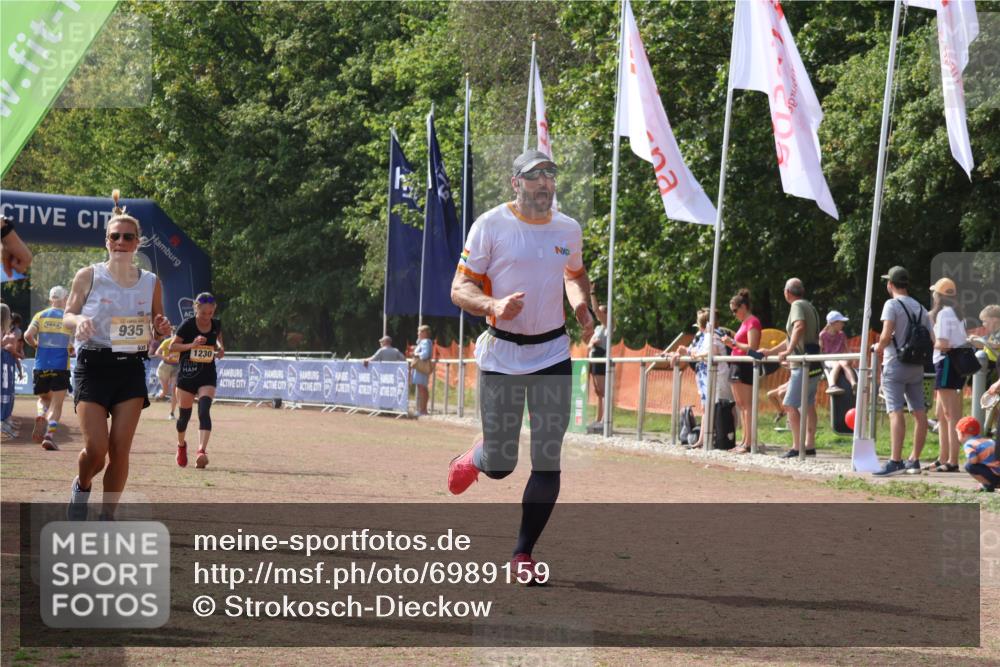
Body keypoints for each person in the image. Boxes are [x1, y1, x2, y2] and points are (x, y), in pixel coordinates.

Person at [448, 149, 594, 584]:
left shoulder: (568, 228)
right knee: (502, 463)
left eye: (549, 175)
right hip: (502, 355)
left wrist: (583, 306)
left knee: (547, 458)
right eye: (534, 177)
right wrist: (492, 304)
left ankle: (522, 554)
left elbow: (574, 273)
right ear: (516, 183)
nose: (544, 184)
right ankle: (477, 457)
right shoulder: (491, 225)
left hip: (552, 354)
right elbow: (460, 288)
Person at [63, 191, 172, 520]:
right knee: (96, 449)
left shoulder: (151, 281)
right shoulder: (88, 275)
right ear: (106, 241)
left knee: (119, 449)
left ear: (137, 243)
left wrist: (161, 326)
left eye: (128, 236)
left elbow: (156, 323)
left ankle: (106, 516)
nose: (121, 241)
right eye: (115, 236)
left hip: (129, 370)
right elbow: (67, 314)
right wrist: (79, 320)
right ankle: (82, 485)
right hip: (92, 367)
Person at [871, 266, 935, 476]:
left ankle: (895, 460)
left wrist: (878, 348)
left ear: (890, 284)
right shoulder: (921, 308)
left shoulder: (892, 304)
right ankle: (914, 460)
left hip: (895, 364)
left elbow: (886, 334)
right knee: (919, 412)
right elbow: (932, 339)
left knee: (895, 411)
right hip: (917, 365)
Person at [761, 278, 823, 458]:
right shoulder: (809, 306)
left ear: (787, 292)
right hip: (813, 362)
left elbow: (799, 327)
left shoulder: (796, 306)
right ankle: (809, 445)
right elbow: (792, 335)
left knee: (788, 404)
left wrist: (788, 351)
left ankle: (797, 446)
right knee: (809, 404)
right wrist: (771, 351)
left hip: (802, 364)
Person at [171, 292, 224, 469]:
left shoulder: (216, 324)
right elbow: (172, 346)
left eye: (210, 313)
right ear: (196, 309)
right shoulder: (187, 325)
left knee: (204, 411)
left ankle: (201, 451)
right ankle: (181, 446)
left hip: (207, 375)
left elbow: (217, 340)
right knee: (183, 419)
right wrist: (192, 345)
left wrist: (220, 349)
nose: (207, 317)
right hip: (187, 375)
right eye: (203, 313)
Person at [924, 278, 968, 473]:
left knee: (950, 415)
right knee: (942, 414)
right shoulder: (959, 314)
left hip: (945, 362)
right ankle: (944, 457)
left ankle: (952, 460)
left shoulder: (943, 314)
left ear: (938, 295)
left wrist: (926, 344)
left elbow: (943, 343)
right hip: (953, 363)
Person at [24, 286, 74, 450]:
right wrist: (71, 348)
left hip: (41, 365)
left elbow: (27, 335)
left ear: (51, 298)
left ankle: (40, 414)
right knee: (56, 405)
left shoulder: (40, 315)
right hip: (60, 366)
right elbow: (74, 342)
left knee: (44, 399)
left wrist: (36, 344)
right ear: (65, 299)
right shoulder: (68, 317)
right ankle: (49, 435)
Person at [721, 288, 761, 452]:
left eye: (735, 310)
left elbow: (753, 348)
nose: (734, 314)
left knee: (746, 405)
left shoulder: (753, 322)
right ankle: (744, 441)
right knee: (741, 404)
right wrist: (731, 344)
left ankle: (749, 442)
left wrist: (734, 343)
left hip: (744, 365)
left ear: (743, 307)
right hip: (737, 363)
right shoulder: (744, 323)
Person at [956, 416, 998, 493]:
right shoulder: (988, 440)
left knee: (969, 466)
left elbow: (974, 460)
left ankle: (987, 485)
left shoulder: (969, 444)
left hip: (996, 476)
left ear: (962, 434)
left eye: (957, 433)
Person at [820, 310, 856, 395]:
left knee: (844, 364)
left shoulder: (842, 334)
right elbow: (820, 351)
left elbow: (847, 349)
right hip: (829, 359)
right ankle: (832, 385)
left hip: (840, 357)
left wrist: (851, 357)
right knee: (837, 364)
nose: (843, 324)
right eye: (841, 322)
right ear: (833, 323)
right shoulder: (822, 335)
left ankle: (853, 383)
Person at [587, 291, 608, 430]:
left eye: (601, 313)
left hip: (600, 358)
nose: (598, 315)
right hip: (593, 358)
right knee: (597, 392)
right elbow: (590, 343)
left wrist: (593, 294)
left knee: (603, 391)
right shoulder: (598, 328)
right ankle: (598, 419)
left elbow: (595, 310)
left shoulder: (608, 325)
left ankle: (605, 421)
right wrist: (592, 343)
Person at [152, 326, 180, 419]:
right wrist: (166, 358)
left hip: (176, 367)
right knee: (165, 391)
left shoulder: (182, 343)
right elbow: (157, 353)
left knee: (174, 390)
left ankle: (171, 413)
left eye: (177, 334)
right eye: (174, 334)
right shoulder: (167, 342)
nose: (175, 336)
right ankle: (159, 395)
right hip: (165, 367)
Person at [1, 303, 18, 439]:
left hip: (4, 364)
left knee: (6, 392)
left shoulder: (5, 330)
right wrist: (3, 342)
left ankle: (5, 422)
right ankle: (4, 423)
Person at [410, 325, 433, 416]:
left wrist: (415, 353)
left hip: (421, 367)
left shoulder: (425, 341)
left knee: (422, 388)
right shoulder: (423, 342)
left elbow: (425, 354)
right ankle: (422, 409)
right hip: (420, 367)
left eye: (419, 332)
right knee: (421, 388)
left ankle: (423, 410)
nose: (418, 333)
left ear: (424, 333)